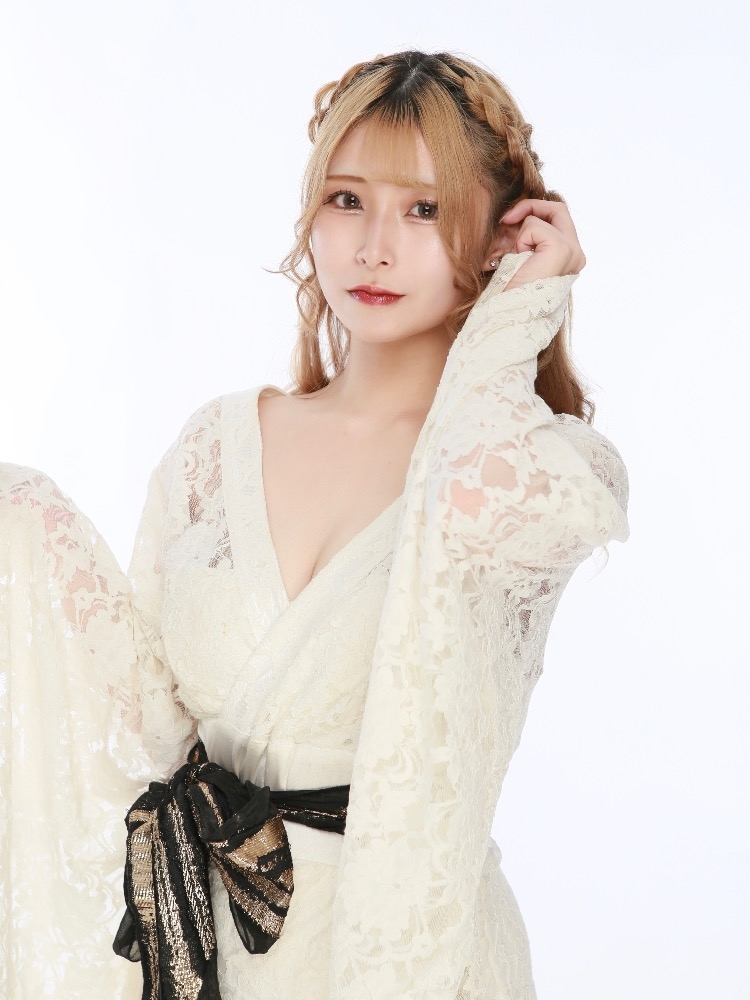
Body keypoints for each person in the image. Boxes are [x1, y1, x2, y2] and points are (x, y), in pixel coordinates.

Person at [0, 50, 629, 999]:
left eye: (425, 210)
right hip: (211, 938)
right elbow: (148, 726)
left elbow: (476, 511)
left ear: (498, 233)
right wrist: (26, 521)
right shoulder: (215, 446)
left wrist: (518, 317)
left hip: (412, 959)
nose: (374, 246)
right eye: (347, 200)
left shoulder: (538, 468)